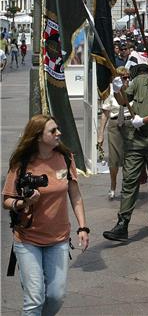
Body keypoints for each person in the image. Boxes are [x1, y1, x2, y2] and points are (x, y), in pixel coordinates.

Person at [2, 114, 89, 315]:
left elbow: (75, 195)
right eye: (52, 131)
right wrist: (23, 202)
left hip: (58, 239)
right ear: (38, 137)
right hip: (27, 239)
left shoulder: (66, 158)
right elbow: (6, 201)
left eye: (57, 129)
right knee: (34, 299)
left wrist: (83, 227)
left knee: (55, 296)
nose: (59, 133)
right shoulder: (22, 163)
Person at [103, 48, 148, 241]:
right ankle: (123, 223)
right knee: (129, 180)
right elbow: (123, 101)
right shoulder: (139, 81)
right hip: (136, 138)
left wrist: (144, 120)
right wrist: (118, 88)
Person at [97, 67, 131, 200]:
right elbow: (105, 114)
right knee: (114, 159)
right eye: (124, 77)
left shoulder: (132, 89)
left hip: (129, 124)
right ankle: (113, 184)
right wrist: (100, 134)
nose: (126, 80)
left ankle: (126, 186)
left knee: (130, 158)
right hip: (115, 125)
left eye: (128, 77)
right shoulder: (110, 91)